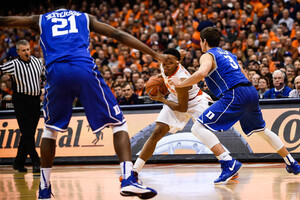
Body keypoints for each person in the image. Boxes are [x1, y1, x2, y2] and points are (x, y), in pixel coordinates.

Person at [0, 0, 176, 199]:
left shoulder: (39, 19)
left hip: (56, 73)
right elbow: (117, 34)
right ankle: (128, 179)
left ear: (49, 4)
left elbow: (5, 20)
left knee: (50, 131)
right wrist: (155, 54)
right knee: (118, 124)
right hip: (83, 69)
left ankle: (44, 187)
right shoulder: (84, 17)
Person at [169, 27, 300, 184]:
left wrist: (180, 83)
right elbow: (243, 74)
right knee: (262, 130)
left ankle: (228, 162)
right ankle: (291, 161)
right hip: (250, 91)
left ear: (204, 42)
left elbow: (202, 73)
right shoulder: (228, 54)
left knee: (197, 128)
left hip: (235, 93)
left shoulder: (208, 55)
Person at [131, 48, 213, 177]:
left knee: (204, 133)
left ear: (177, 62)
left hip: (195, 102)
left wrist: (161, 99)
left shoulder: (181, 78)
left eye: (170, 62)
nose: (166, 65)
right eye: (164, 61)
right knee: (157, 132)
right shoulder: (165, 63)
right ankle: (135, 170)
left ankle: (227, 162)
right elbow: (173, 56)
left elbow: (182, 108)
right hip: (176, 98)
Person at [0, 40, 44, 173]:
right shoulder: (13, 65)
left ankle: (18, 162)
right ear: (18, 52)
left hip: (35, 101)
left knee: (29, 133)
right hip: (21, 100)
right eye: (23, 50)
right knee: (27, 133)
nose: (26, 52)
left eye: (28, 49)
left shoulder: (38, 62)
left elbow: (45, 75)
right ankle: (36, 161)